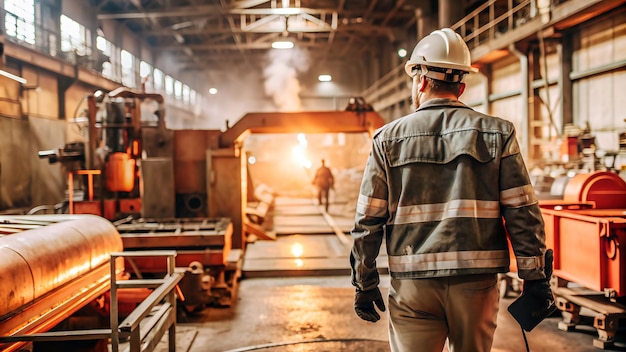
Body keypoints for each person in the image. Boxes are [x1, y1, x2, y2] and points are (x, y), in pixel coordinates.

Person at [349, 28, 554, 352]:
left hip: (413, 284)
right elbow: (522, 212)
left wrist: (365, 280)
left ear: (421, 81)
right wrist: (535, 276)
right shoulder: (498, 134)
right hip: (475, 283)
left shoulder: (386, 139)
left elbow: (368, 220)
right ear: (461, 85)